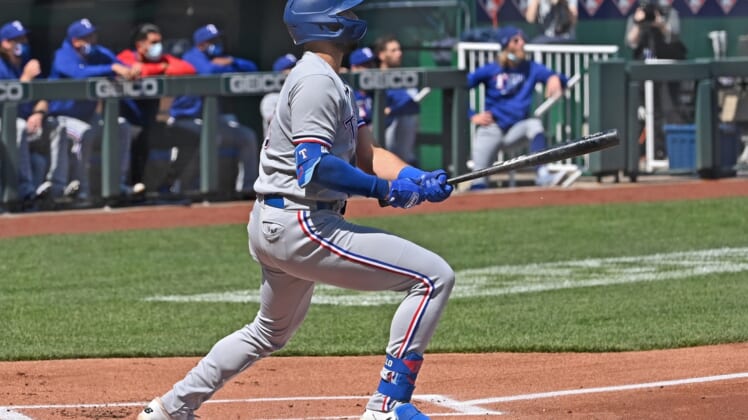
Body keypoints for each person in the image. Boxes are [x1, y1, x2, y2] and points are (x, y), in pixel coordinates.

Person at [136, 1, 454, 419]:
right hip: (302, 222)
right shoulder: (316, 81)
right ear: (325, 23)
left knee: (268, 332)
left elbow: (369, 154)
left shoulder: (332, 81)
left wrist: (417, 178)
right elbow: (316, 166)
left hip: (282, 221)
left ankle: (169, 409)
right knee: (432, 278)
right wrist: (386, 191)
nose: (355, 19)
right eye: (346, 13)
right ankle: (387, 407)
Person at [466, 25, 580, 189]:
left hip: (516, 129)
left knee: (534, 125)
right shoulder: (491, 69)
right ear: (506, 44)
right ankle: (478, 190)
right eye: (516, 40)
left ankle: (543, 175)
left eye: (522, 39)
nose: (522, 43)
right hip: (492, 128)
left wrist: (554, 77)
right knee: (478, 182)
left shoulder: (530, 67)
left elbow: (561, 78)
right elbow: (460, 87)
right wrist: (472, 115)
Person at [48, 18, 142, 201]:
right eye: (87, 37)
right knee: (85, 132)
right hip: (60, 119)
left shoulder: (99, 53)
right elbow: (78, 73)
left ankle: (118, 183)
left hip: (88, 116)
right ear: (75, 41)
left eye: (93, 35)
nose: (92, 40)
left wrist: (132, 69)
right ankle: (81, 189)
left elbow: (120, 66)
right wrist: (112, 68)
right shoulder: (62, 55)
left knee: (122, 126)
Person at [168, 23, 260, 195]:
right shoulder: (191, 56)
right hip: (185, 120)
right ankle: (190, 188)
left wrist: (232, 61)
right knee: (211, 138)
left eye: (218, 39)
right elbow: (207, 72)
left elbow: (251, 68)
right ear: (201, 44)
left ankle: (247, 188)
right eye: (212, 40)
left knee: (246, 136)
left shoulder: (220, 59)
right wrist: (223, 66)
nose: (217, 43)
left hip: (211, 122)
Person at [117, 23, 196, 188]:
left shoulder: (162, 59)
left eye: (159, 41)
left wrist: (156, 67)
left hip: (151, 123)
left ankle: (168, 182)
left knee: (191, 138)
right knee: (140, 136)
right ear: (140, 45)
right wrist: (160, 69)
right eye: (153, 42)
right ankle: (131, 187)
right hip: (126, 123)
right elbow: (133, 70)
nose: (158, 46)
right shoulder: (127, 56)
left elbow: (188, 69)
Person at [0, 20, 69, 202]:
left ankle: (57, 189)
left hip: (27, 123)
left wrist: (38, 113)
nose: (23, 44)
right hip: (4, 123)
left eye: (24, 39)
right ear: (5, 43)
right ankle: (25, 190)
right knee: (18, 127)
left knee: (58, 126)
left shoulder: (26, 62)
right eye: (17, 40)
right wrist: (26, 77)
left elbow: (44, 97)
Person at [374, 34, 420, 166]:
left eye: (399, 50)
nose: (399, 53)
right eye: (393, 50)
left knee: (407, 119)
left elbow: (412, 105)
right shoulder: (373, 76)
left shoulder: (405, 77)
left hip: (396, 133)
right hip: (372, 132)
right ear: (382, 55)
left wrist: (392, 109)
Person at [259, 53, 297, 138]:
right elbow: (275, 122)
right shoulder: (271, 98)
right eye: (290, 67)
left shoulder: (299, 93)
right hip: (278, 143)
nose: (293, 70)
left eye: (294, 67)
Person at [349, 46, 376, 126]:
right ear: (354, 68)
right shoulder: (347, 92)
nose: (371, 69)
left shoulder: (374, 91)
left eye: (372, 64)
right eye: (366, 65)